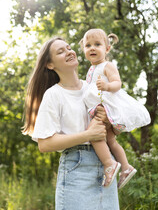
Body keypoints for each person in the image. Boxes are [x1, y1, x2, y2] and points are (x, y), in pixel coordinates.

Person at [23, 37, 120, 210]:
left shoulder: (93, 87)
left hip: (107, 166)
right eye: (60, 51)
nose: (69, 52)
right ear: (50, 65)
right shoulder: (54, 95)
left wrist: (109, 122)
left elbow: (114, 130)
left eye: (68, 48)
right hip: (77, 168)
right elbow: (45, 144)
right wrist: (87, 135)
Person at [79, 28, 151, 189]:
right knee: (110, 140)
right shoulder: (91, 69)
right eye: (88, 45)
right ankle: (125, 167)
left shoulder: (107, 65)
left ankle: (109, 164)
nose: (92, 48)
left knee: (93, 135)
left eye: (97, 44)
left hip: (105, 108)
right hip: (99, 108)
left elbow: (117, 84)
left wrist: (107, 85)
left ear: (107, 49)